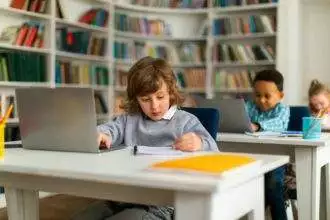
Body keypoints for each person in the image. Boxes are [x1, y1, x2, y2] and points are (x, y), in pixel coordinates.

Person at [74, 56, 218, 220]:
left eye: (160, 97)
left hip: (162, 205)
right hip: (124, 197)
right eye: (145, 99)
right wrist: (102, 134)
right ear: (136, 98)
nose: (154, 106)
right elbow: (109, 130)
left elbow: (213, 149)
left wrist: (199, 143)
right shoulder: (130, 119)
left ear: (171, 92)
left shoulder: (186, 121)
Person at [245, 69, 290, 220]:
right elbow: (240, 119)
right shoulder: (250, 106)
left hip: (276, 159)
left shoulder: (282, 109)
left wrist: (257, 125)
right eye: (258, 95)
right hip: (252, 158)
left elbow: (279, 123)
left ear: (280, 96)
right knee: (250, 189)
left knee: (272, 187)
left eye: (267, 96)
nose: (261, 100)